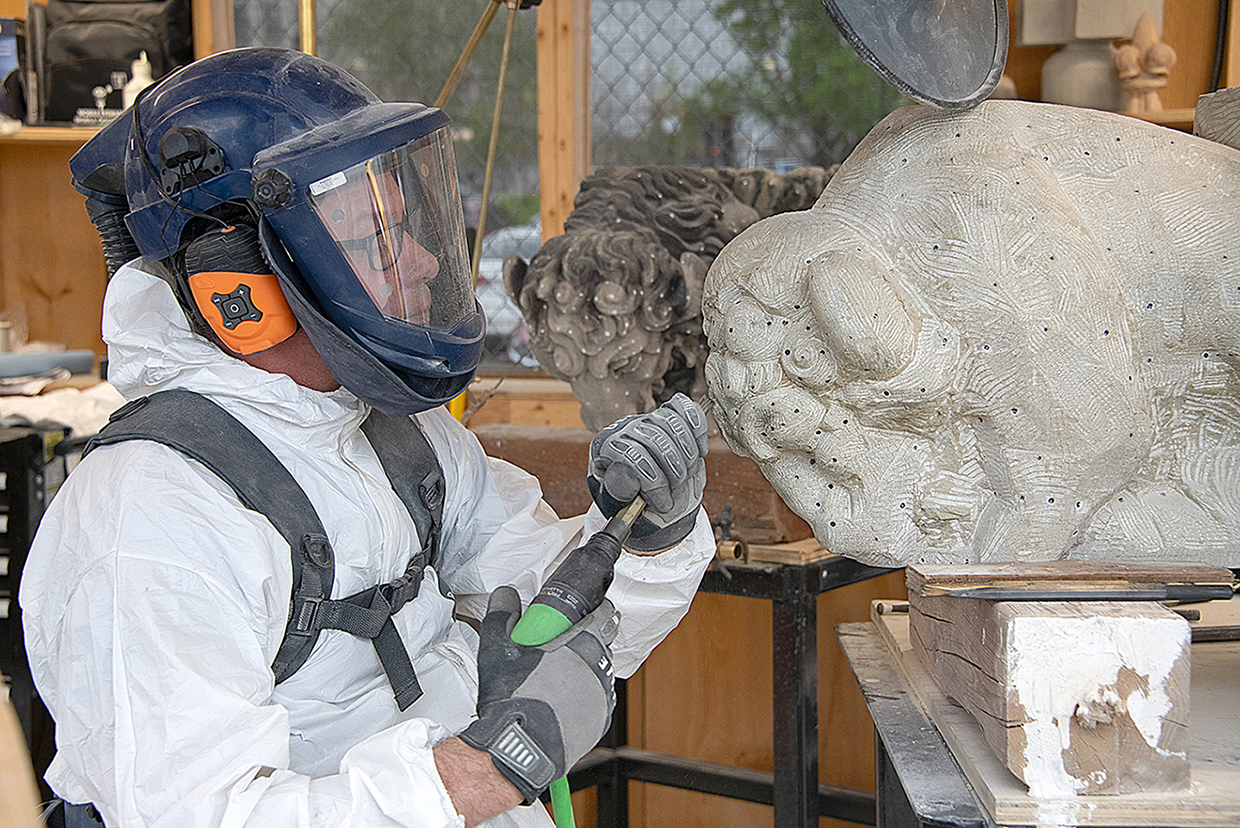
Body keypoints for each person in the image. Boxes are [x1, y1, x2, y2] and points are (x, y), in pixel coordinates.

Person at [19, 47, 713, 828]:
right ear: (236, 286)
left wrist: (646, 540)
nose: (418, 260)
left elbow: (556, 628)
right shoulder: (151, 518)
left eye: (404, 223)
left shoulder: (392, 435)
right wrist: (479, 777)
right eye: (371, 238)